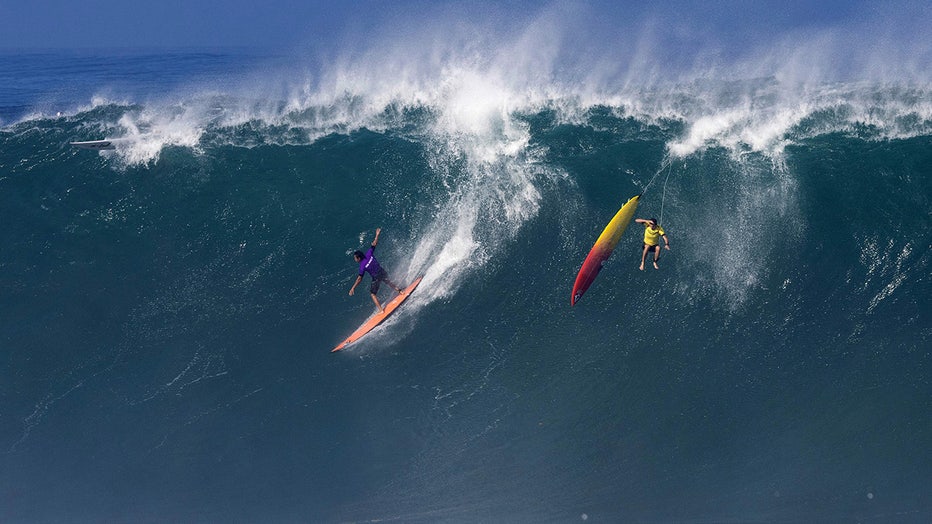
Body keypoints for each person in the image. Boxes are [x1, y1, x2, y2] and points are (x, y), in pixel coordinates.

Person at [349, 228, 403, 312]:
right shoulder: (369, 254)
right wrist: (377, 234)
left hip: (376, 277)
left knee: (373, 294)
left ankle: (381, 311)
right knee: (388, 282)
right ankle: (400, 291)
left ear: (358, 258)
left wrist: (353, 288)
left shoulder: (362, 266)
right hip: (381, 271)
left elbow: (360, 278)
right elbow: (374, 244)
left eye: (355, 258)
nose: (355, 260)